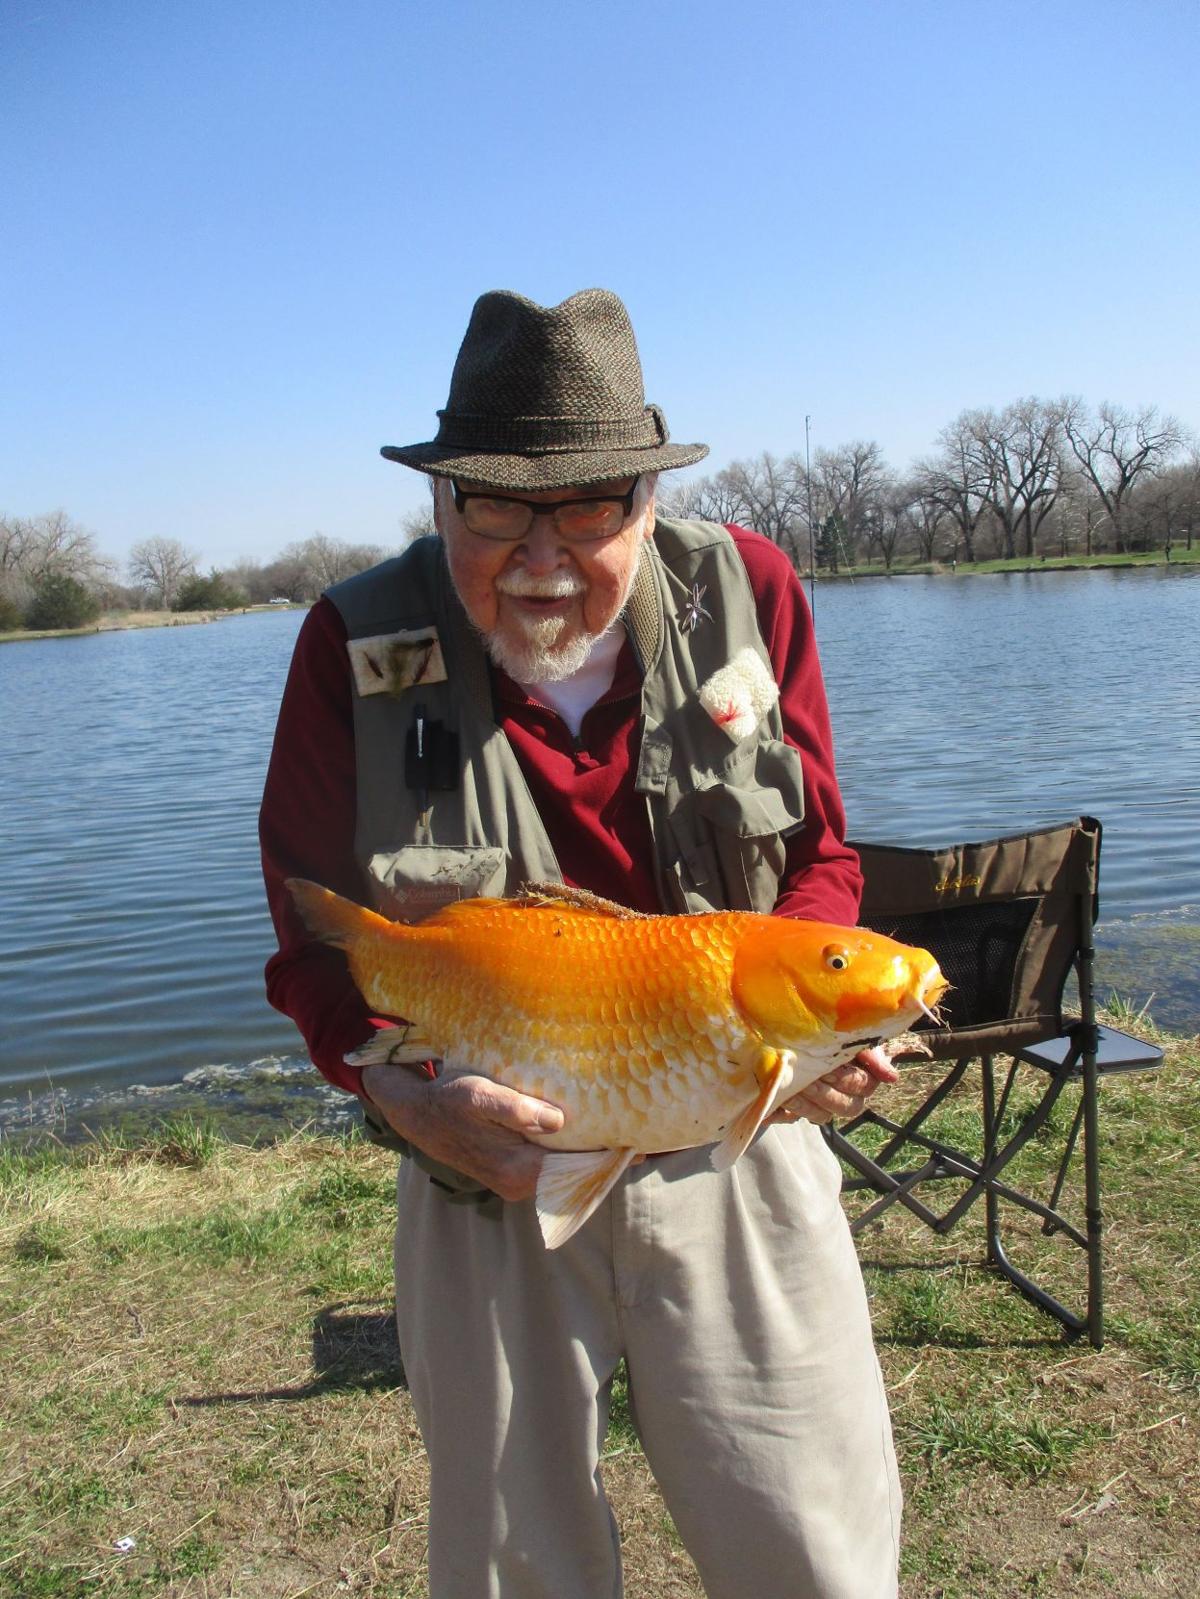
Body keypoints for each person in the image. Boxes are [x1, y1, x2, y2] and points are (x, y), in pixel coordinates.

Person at [260, 287, 902, 1599]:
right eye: (495, 506)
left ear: (650, 500)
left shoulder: (754, 589)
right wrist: (387, 1086)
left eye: (594, 503)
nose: (543, 553)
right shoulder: (352, 642)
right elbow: (312, 939)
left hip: (744, 1144)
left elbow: (824, 854)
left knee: (813, 1551)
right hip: (480, 1174)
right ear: (440, 502)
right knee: (514, 1568)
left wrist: (811, 1005)